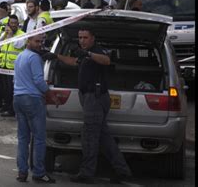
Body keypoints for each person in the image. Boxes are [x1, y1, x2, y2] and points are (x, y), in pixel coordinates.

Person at [42, 28, 132, 184]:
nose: (82, 41)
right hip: (90, 98)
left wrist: (88, 54)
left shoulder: (96, 51)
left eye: (85, 37)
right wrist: (57, 56)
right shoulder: (84, 53)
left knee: (89, 137)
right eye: (80, 38)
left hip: (95, 98)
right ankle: (122, 170)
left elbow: (106, 60)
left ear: (93, 38)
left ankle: (86, 173)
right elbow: (74, 62)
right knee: (104, 138)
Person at [13, 34, 56, 183]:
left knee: (23, 138)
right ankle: (38, 172)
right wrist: (50, 94)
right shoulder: (34, 58)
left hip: (18, 98)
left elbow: (16, 78)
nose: (39, 44)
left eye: (41, 42)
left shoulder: (20, 57)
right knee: (39, 138)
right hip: (32, 99)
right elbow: (39, 80)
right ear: (28, 41)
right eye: (36, 41)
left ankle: (22, 172)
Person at [0, 15, 25, 117]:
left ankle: (12, 110)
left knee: (12, 90)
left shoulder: (22, 34)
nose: (13, 25)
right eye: (11, 23)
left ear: (18, 24)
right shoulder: (6, 34)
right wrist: (5, 35)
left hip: (14, 68)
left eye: (15, 23)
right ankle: (7, 106)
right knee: (6, 89)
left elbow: (18, 45)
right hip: (4, 66)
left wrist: (11, 36)